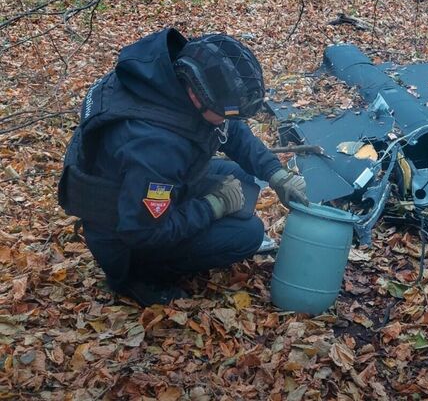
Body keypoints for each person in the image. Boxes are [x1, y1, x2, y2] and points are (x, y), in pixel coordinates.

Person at [58, 28, 309, 306]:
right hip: (125, 240)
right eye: (227, 112)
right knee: (248, 233)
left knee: (241, 179)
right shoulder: (155, 148)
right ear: (197, 97)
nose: (229, 119)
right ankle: (140, 279)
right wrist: (214, 206)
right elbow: (144, 233)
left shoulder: (167, 76)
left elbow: (231, 130)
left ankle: (199, 231)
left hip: (133, 190)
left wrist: (276, 173)